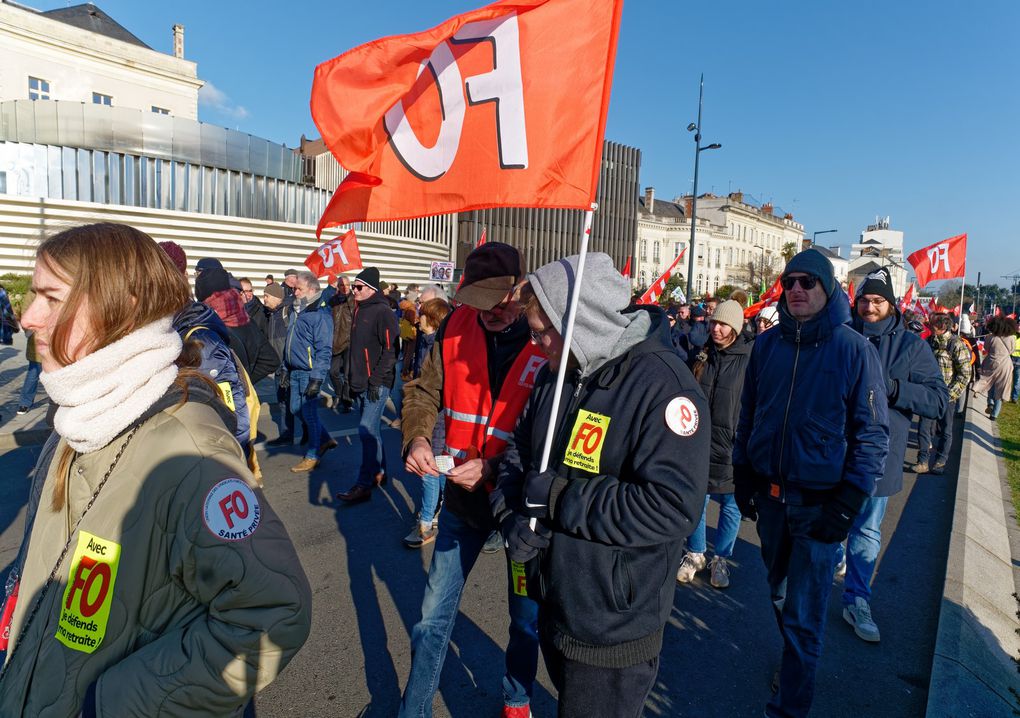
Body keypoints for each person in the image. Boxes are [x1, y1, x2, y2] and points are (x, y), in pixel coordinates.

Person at [0, 222, 311, 716]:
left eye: (51, 298)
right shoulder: (80, 414)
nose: (29, 318)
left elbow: (273, 612)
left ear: (118, 307)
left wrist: (112, 702)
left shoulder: (191, 451)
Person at [494, 253, 710, 718]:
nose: (536, 342)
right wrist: (512, 514)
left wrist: (556, 498)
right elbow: (518, 451)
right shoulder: (561, 373)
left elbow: (671, 506)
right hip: (557, 600)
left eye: (541, 329)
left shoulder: (663, 386)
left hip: (612, 624)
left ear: (582, 319)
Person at [733, 248, 889, 718]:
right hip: (773, 503)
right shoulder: (766, 346)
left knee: (806, 616)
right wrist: (743, 471)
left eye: (808, 282)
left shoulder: (854, 349)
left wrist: (849, 501)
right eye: (790, 282)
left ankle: (791, 706)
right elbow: (749, 413)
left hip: (821, 508)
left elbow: (873, 433)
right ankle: (793, 660)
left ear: (827, 290)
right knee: (781, 595)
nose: (797, 290)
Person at [398, 243, 542, 718]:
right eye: (480, 303)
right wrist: (418, 438)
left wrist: (498, 469)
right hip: (462, 500)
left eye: (500, 302)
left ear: (520, 289)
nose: (492, 314)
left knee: (525, 619)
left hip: (520, 507)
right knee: (432, 618)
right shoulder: (456, 327)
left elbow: (558, 434)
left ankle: (517, 699)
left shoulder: (547, 339)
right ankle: (413, 711)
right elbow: (424, 391)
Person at [837, 268, 946, 643]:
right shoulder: (840, 334)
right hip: (833, 453)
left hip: (879, 458)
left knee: (866, 529)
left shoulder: (911, 346)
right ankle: (824, 584)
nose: (869, 307)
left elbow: (937, 400)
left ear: (891, 304)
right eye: (864, 300)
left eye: (877, 301)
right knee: (829, 526)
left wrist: (895, 389)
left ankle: (856, 599)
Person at [676, 299, 753, 589]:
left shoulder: (749, 358)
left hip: (732, 445)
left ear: (735, 327)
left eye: (722, 324)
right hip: (699, 442)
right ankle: (696, 553)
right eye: (713, 323)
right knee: (697, 499)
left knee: (731, 506)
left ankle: (721, 558)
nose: (716, 329)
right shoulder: (701, 354)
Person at [336, 267, 399, 502]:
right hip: (360, 382)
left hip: (377, 383)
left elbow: (391, 350)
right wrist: (350, 379)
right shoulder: (358, 309)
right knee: (372, 431)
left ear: (371, 289)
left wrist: (376, 381)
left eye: (358, 287)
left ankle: (362, 485)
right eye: (354, 286)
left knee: (365, 430)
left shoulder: (383, 311)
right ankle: (379, 472)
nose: (354, 290)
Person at [402, 297, 453, 549]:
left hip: (439, 427)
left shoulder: (443, 346)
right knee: (440, 472)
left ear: (432, 319)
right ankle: (439, 511)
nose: (417, 316)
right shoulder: (425, 341)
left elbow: (435, 393)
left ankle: (426, 524)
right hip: (431, 425)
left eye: (421, 313)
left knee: (430, 473)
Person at [284, 271, 335, 472]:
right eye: (294, 288)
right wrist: (285, 368)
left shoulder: (319, 314)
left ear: (312, 290)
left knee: (309, 413)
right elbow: (290, 343)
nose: (294, 292)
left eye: (299, 288)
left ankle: (313, 455)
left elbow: (324, 350)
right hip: (295, 370)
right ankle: (325, 439)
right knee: (295, 408)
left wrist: (317, 378)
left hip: (309, 372)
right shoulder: (298, 310)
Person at [197, 268, 279, 385]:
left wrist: (241, 382)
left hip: (214, 395)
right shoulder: (247, 321)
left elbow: (271, 361)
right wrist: (244, 381)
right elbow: (271, 360)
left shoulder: (203, 323)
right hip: (238, 395)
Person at [972, 314, 1017, 420]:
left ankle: (990, 402)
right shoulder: (1011, 338)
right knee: (1000, 389)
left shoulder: (989, 337)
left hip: (990, 363)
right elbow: (1012, 351)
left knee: (989, 383)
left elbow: (986, 348)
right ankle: (994, 415)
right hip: (1005, 364)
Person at [329, 276, 356, 413]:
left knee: (347, 375)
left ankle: (346, 400)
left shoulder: (354, 300)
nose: (344, 287)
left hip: (350, 342)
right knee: (333, 372)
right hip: (335, 341)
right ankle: (339, 394)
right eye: (341, 285)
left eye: (347, 284)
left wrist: (349, 302)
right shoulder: (333, 301)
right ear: (337, 287)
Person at [16, 290, 41, 415]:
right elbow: (25, 313)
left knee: (58, 374)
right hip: (38, 339)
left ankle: (59, 405)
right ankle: (25, 403)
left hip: (57, 340)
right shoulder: (32, 293)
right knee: (34, 372)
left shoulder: (60, 288)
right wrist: (31, 330)